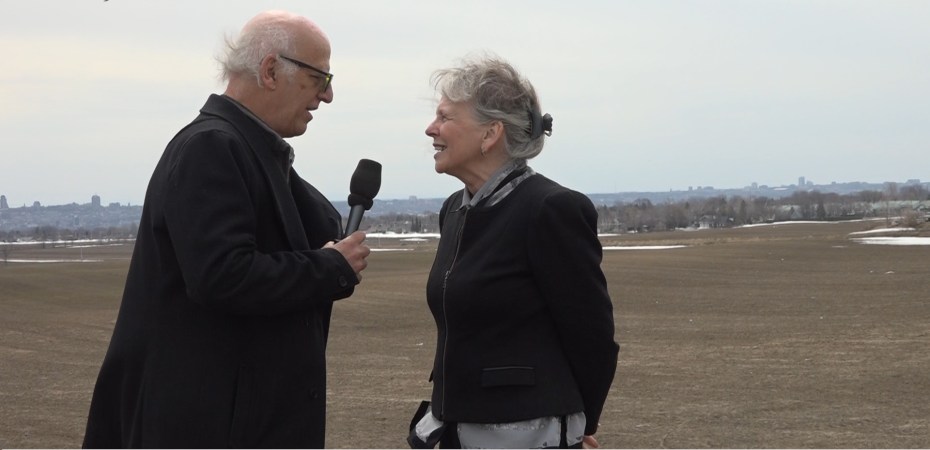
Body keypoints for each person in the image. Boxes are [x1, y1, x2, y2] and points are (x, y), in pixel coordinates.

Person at [83, 10, 370, 448]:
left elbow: (307, 233)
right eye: (320, 79)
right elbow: (222, 275)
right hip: (209, 428)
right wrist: (328, 267)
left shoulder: (250, 148)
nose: (327, 97)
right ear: (271, 70)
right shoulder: (212, 147)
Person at [409, 55, 619, 449]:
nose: (430, 129)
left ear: (490, 134)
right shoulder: (454, 210)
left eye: (445, 117)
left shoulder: (550, 209)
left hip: (523, 434)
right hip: (454, 429)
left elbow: (592, 335)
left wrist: (579, 424)